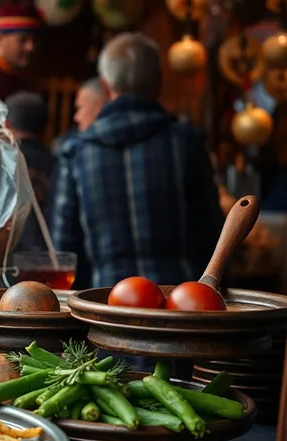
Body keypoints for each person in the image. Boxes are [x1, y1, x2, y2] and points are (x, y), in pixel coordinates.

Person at [50, 32, 223, 289]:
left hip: (108, 306)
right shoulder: (185, 142)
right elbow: (214, 235)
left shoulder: (76, 153)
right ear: (158, 82)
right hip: (182, 306)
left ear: (106, 86)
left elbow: (63, 247)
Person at [6, 92, 55, 252]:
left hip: (6, 256)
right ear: (46, 127)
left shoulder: (1, 163)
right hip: (48, 254)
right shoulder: (57, 163)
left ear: (6, 125)